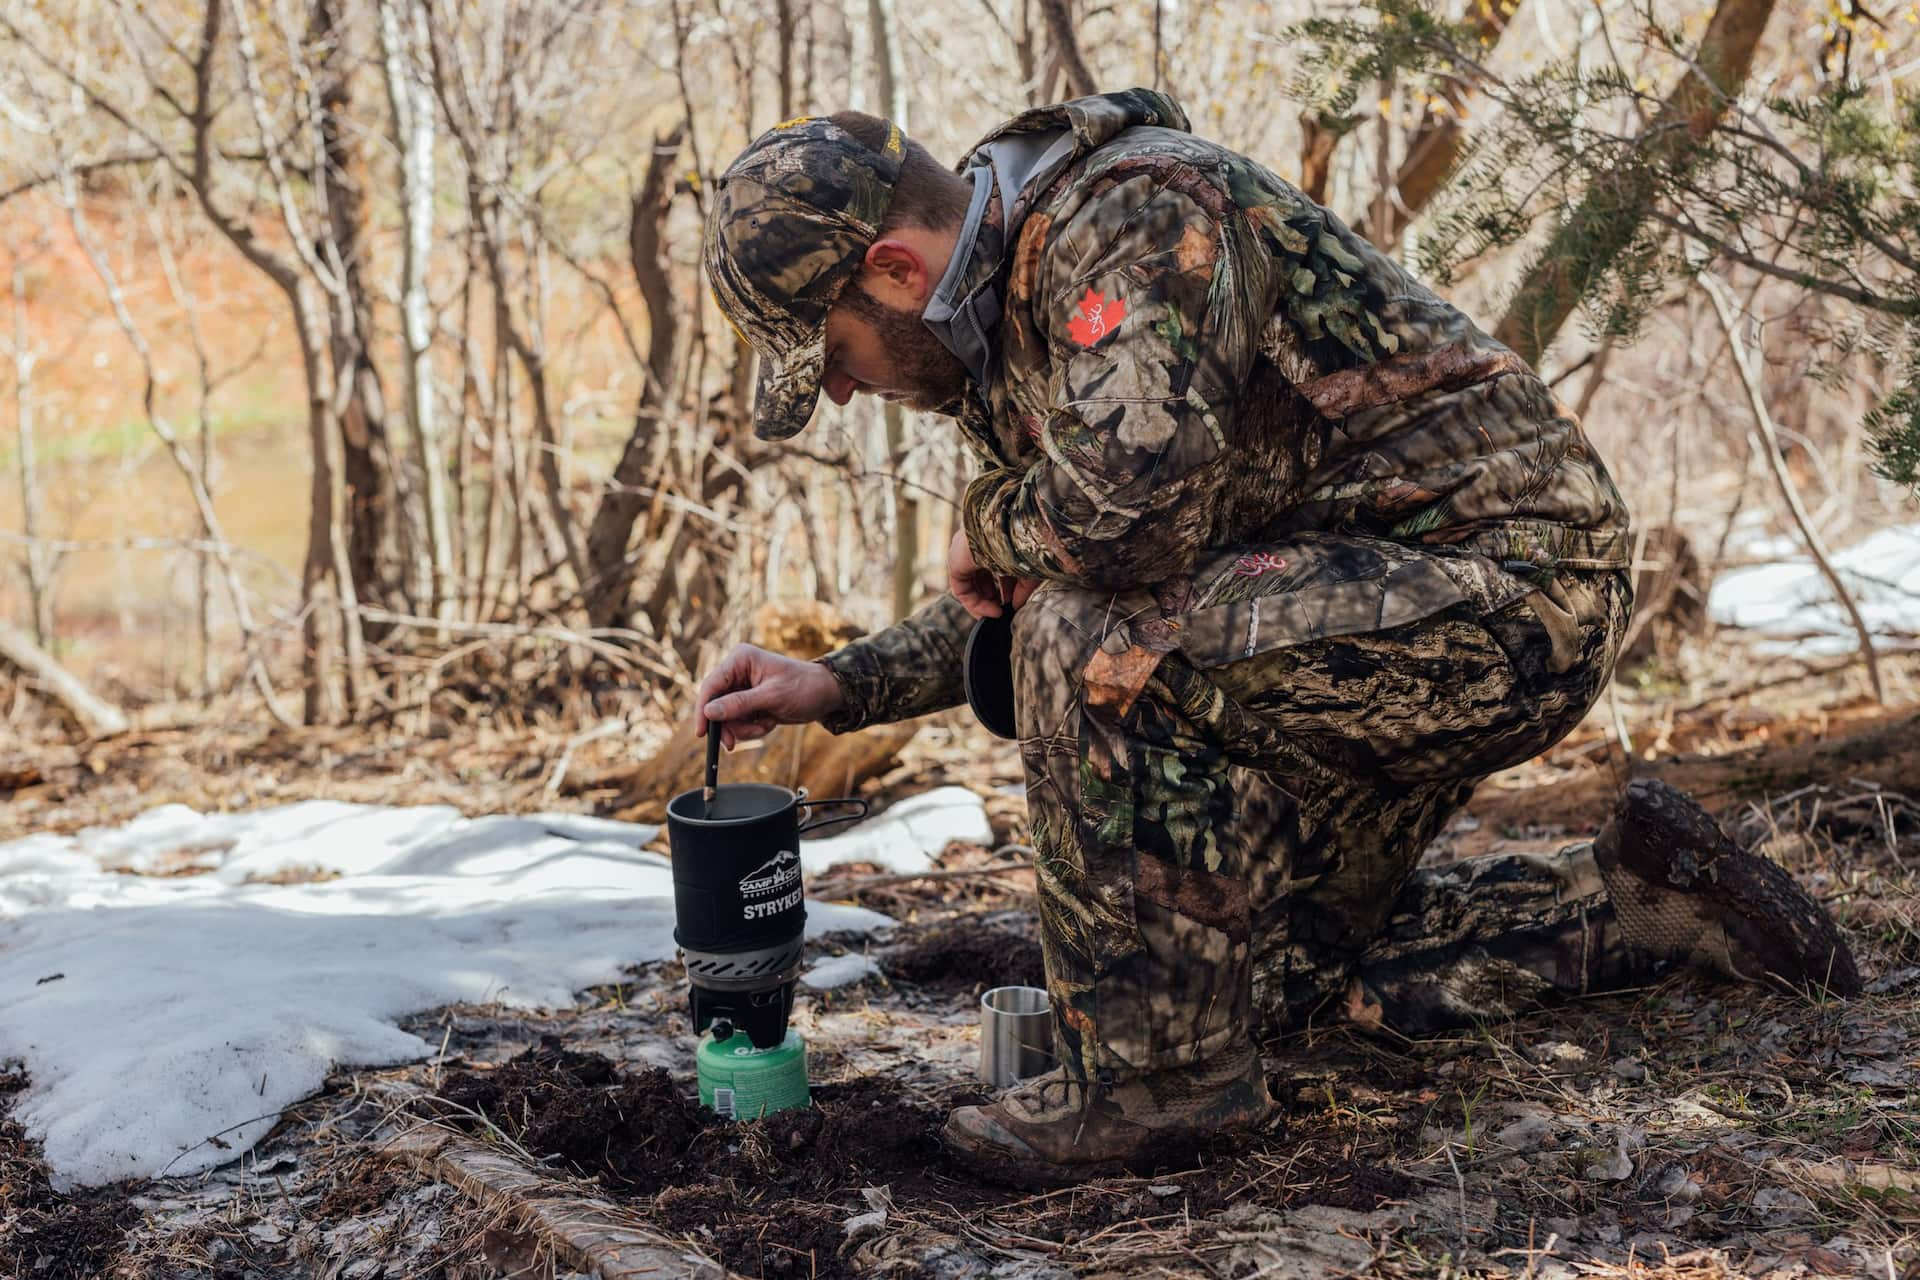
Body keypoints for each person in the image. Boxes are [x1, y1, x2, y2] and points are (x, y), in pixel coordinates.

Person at [694, 91, 1859, 1187]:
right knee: (1248, 979)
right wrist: (838, 683)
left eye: (834, 353)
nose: (841, 392)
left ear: (895, 270)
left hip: (1508, 590)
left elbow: (1112, 539)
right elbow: (1044, 568)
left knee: (1098, 644)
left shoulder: (1138, 215)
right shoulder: (1011, 322)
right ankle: (1638, 902)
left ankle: (1158, 1091)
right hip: (1350, 613)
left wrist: (993, 520)